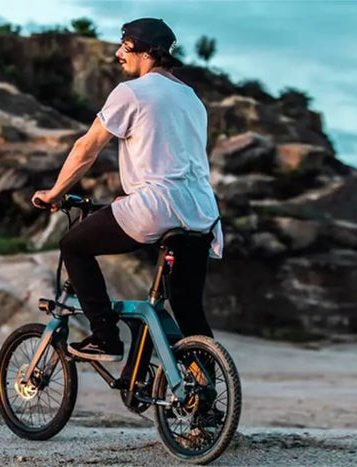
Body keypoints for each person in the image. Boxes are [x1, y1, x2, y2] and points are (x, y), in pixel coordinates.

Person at [31, 18, 223, 362]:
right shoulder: (191, 98)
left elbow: (86, 148)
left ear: (148, 51)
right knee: (187, 306)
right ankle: (206, 390)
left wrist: (55, 193)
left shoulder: (132, 92)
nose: (119, 52)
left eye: (126, 44)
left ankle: (105, 336)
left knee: (73, 246)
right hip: (202, 212)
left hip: (156, 206)